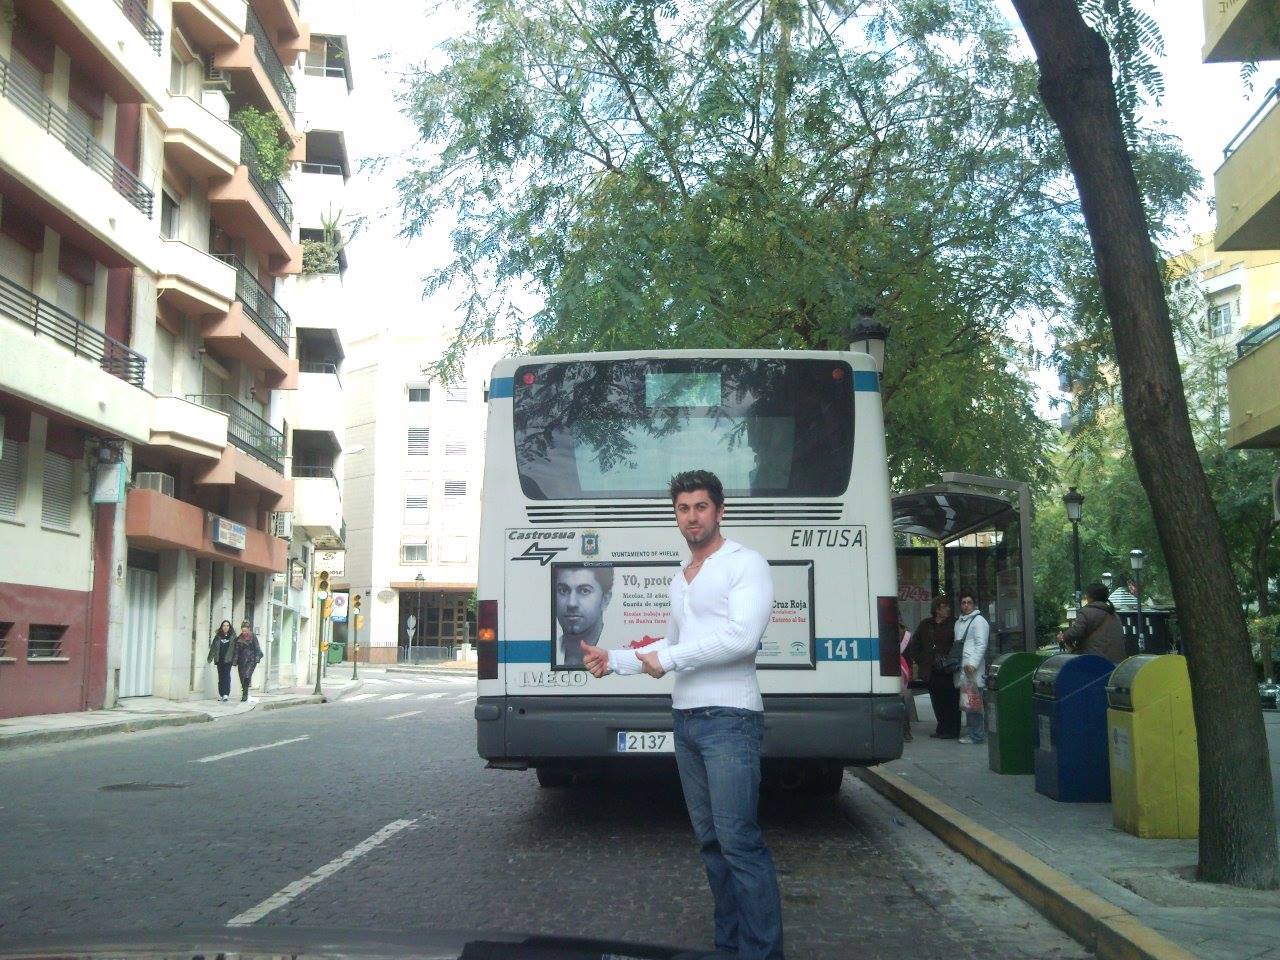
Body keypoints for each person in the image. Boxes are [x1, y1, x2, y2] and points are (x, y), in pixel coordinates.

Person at [582, 470, 784, 960]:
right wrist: (615, 660)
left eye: (700, 506)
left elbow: (741, 639)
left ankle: (762, 953)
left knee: (739, 842)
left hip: (731, 718)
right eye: (682, 508)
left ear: (720, 511)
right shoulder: (681, 577)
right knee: (712, 845)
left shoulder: (745, 564)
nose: (691, 516)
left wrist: (667, 660)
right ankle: (728, 947)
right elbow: (671, 644)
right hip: (688, 719)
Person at [906, 597, 960, 739]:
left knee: (951, 699)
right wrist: (921, 659)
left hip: (948, 669)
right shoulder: (926, 624)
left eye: (948, 606)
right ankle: (941, 727)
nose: (947, 609)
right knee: (937, 699)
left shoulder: (954, 624)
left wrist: (952, 658)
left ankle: (952, 729)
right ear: (937, 609)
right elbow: (915, 644)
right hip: (931, 668)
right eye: (944, 606)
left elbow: (959, 644)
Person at [555, 565, 613, 667]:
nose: (571, 603)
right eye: (563, 590)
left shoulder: (622, 652)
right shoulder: (542, 651)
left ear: (605, 599)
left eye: (584, 591)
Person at [954, 591, 990, 745]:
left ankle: (977, 735)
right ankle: (973, 733)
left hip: (972, 669)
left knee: (974, 703)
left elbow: (981, 644)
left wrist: (973, 664)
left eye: (969, 602)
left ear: (974, 604)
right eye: (963, 602)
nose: (966, 605)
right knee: (969, 703)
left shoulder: (979, 621)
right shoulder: (959, 622)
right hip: (963, 668)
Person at [1059, 583, 1126, 664]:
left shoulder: (1086, 612)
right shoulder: (1114, 614)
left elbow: (1076, 632)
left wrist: (1063, 636)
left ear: (1090, 597)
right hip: (1116, 662)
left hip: (1095, 661)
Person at [898, 617, 918, 742]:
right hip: (903, 668)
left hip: (890, 666)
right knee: (902, 700)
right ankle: (906, 732)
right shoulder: (907, 634)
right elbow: (910, 654)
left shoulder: (884, 629)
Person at [234, 620, 263, 702]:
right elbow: (236, 651)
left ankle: (245, 694)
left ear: (249, 629)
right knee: (242, 677)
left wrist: (257, 658)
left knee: (247, 676)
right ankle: (245, 691)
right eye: (243, 631)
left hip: (251, 660)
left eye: (245, 631)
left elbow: (257, 648)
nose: (244, 632)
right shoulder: (239, 638)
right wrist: (235, 660)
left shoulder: (253, 637)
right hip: (241, 660)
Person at [207, 619, 236, 702]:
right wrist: (210, 658)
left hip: (228, 660)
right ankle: (221, 694)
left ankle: (226, 694)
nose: (225, 627)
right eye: (224, 625)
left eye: (227, 625)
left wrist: (235, 659)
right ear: (221, 627)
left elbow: (236, 649)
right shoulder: (218, 637)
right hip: (219, 660)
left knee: (226, 676)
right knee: (221, 677)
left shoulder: (233, 637)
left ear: (229, 627)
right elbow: (213, 648)